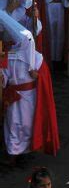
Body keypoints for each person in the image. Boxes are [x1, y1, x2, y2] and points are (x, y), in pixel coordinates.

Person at [0, 11, 59, 167]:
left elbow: (45, 77)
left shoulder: (36, 58)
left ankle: (25, 152)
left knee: (27, 124)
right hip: (14, 96)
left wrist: (37, 74)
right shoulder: (7, 56)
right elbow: (4, 75)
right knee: (13, 124)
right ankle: (13, 153)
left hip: (31, 96)